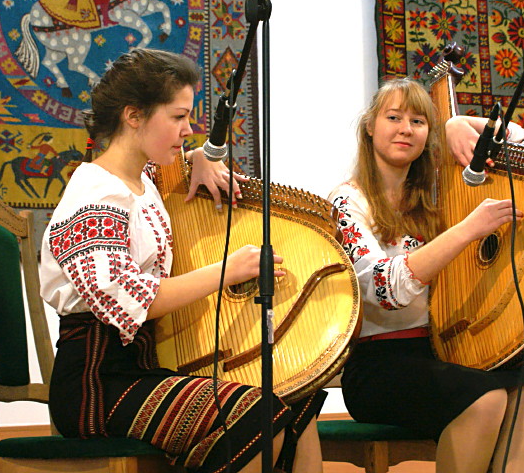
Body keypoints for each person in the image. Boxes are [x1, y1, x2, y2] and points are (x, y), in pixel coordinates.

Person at [39, 48, 324, 473]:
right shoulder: (95, 197)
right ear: (133, 115)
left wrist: (197, 159)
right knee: (257, 413)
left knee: (297, 398)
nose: (188, 130)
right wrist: (227, 270)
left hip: (142, 370)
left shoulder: (139, 179)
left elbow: (169, 168)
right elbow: (132, 301)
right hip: (97, 386)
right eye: (178, 117)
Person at [328, 77, 524, 473]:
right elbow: (384, 289)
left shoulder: (435, 194)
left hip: (446, 351)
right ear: (370, 126)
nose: (405, 129)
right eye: (394, 117)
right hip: (378, 366)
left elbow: (517, 137)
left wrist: (455, 124)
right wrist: (466, 230)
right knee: (485, 398)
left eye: (418, 121)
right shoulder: (347, 201)